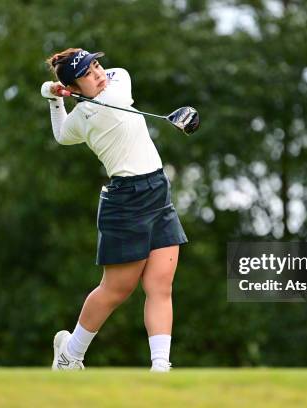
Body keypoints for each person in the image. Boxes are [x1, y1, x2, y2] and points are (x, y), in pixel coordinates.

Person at [40, 48, 188, 373]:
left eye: (96, 65)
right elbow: (62, 135)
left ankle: (161, 367)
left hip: (157, 190)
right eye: (88, 74)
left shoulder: (119, 80)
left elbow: (110, 89)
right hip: (126, 200)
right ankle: (69, 355)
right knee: (117, 289)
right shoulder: (80, 119)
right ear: (75, 88)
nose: (98, 73)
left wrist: (58, 93)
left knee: (161, 284)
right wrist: (55, 99)